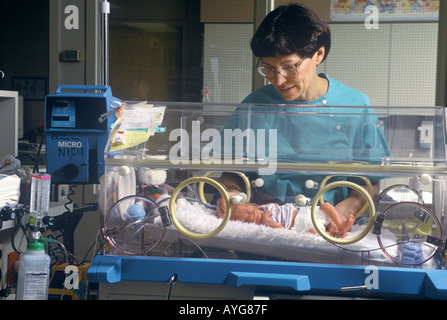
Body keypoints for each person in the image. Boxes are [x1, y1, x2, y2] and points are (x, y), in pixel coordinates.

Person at [217, 3, 391, 231]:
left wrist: (340, 214)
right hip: (261, 231)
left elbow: (370, 183)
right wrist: (231, 197)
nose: (278, 80)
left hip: (326, 232)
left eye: (289, 67)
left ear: (318, 54)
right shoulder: (254, 105)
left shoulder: (354, 106)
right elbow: (232, 172)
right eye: (269, 68)